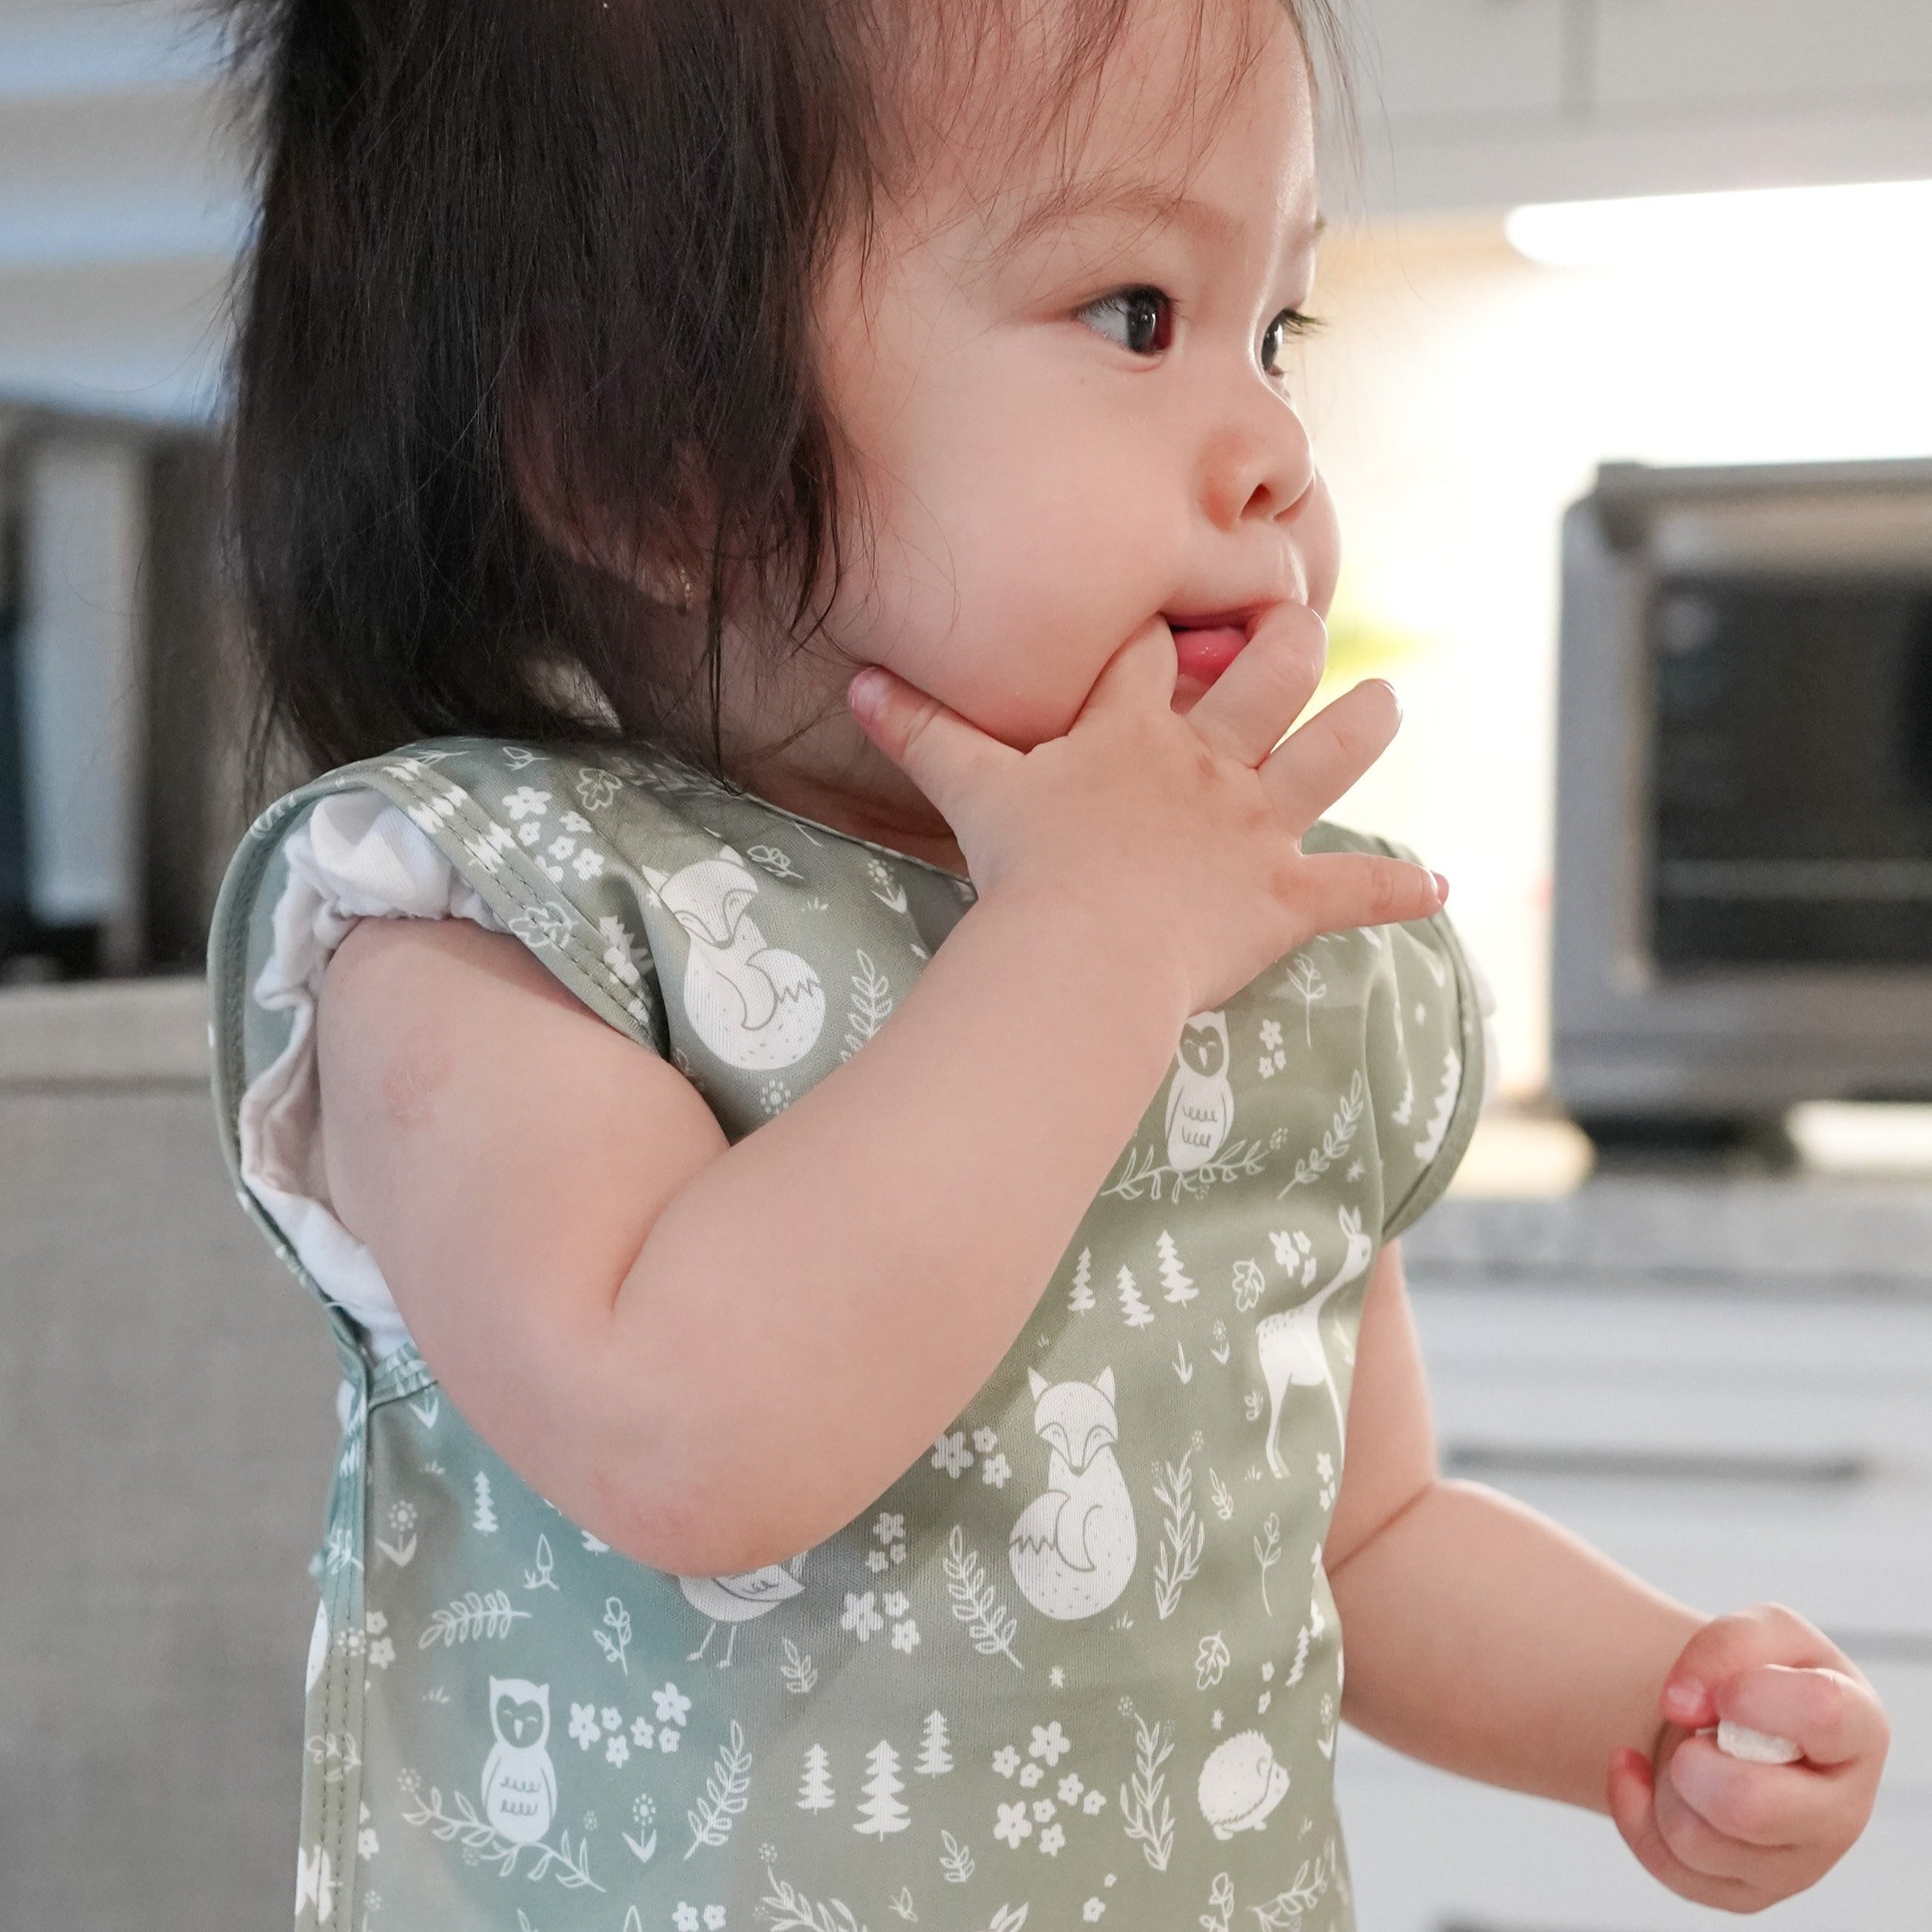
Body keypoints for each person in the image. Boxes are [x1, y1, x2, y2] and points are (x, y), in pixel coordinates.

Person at [205, 1, 1887, 1926]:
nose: (1273, 450)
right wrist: (1090, 940)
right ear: (660, 464)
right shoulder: (499, 925)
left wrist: (1650, 1699)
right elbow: (685, 1440)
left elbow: (1362, 1537)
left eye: (1278, 333)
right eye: (1135, 315)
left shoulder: (1244, 934)